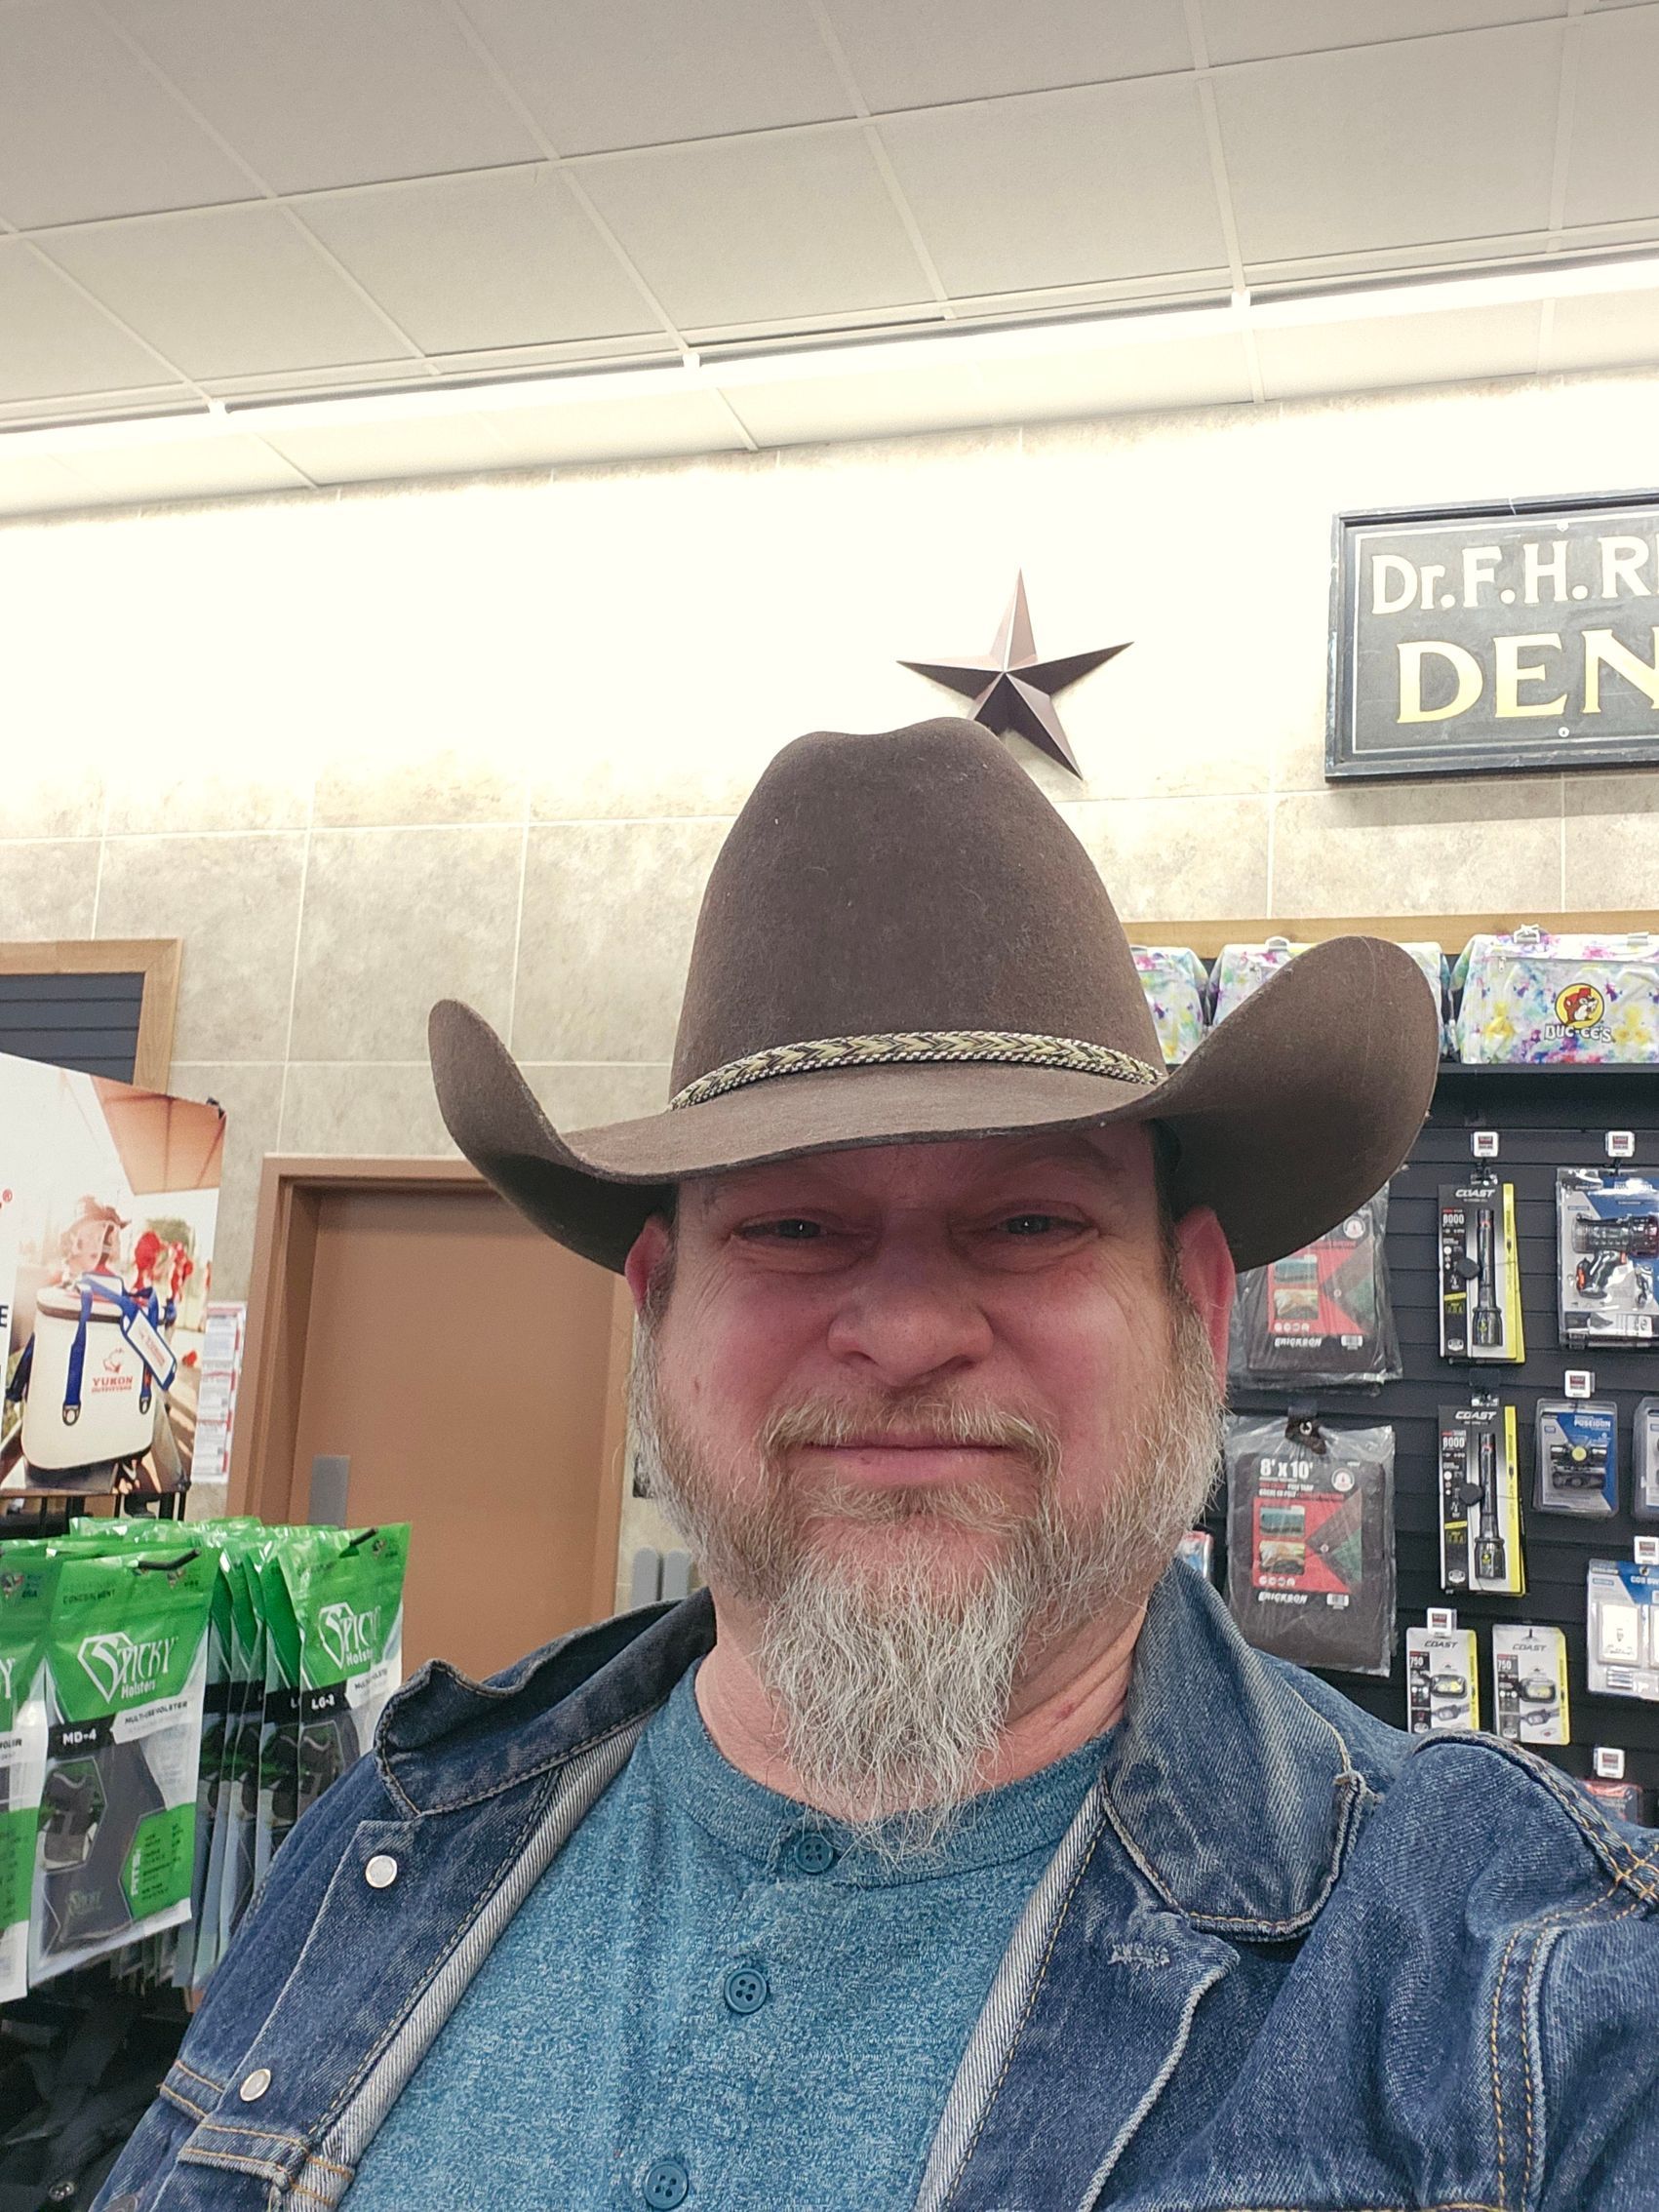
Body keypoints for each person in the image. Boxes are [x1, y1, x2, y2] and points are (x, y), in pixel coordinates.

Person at [99, 721, 1657, 2212]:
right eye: (793, 1225)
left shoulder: (1525, 2001)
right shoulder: (379, 1837)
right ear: (658, 1309)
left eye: (1030, 1221)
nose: (907, 1332)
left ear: (1194, 1303)